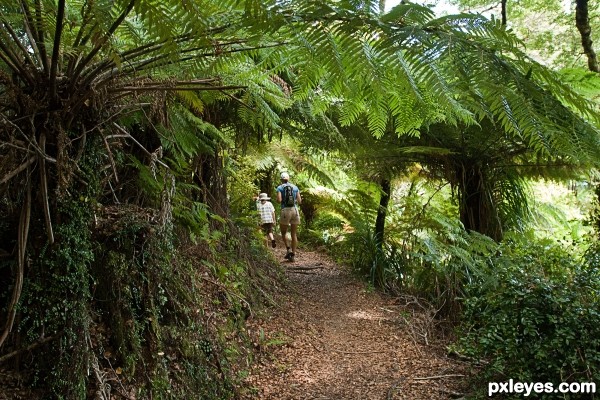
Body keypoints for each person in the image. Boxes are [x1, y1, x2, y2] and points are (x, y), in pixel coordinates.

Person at [276, 172, 301, 262]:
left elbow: (279, 200)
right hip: (295, 210)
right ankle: (293, 255)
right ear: (288, 178)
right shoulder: (295, 187)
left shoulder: (280, 187)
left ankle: (288, 249)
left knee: (283, 233)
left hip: (285, 211)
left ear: (281, 179)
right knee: (293, 234)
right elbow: (300, 201)